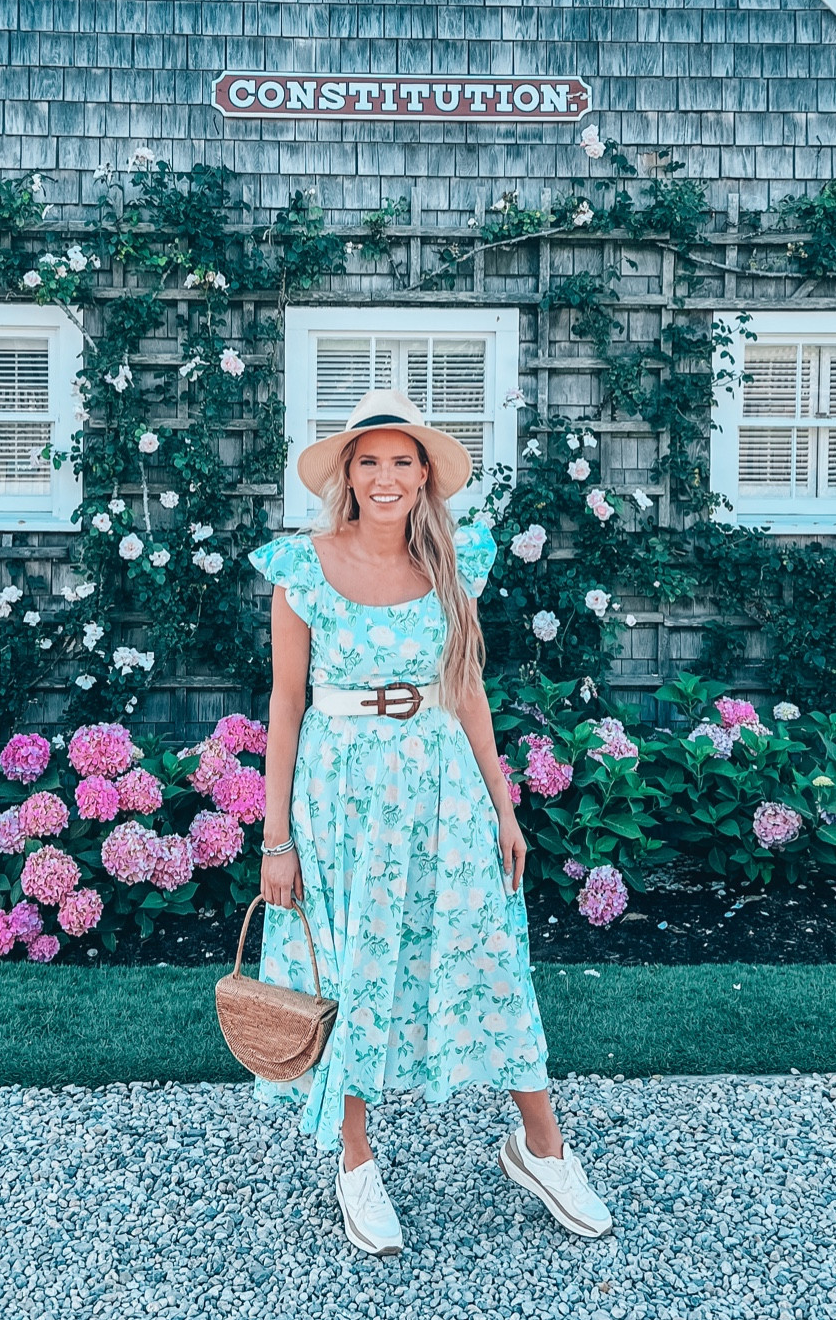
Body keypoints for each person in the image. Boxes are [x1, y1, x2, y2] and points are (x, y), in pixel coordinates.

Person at [247, 387, 613, 1257]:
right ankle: (356, 1162)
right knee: (351, 971)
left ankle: (542, 1148)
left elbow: (467, 688)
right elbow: (285, 705)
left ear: (423, 476)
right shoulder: (303, 570)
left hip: (443, 789)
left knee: (488, 953)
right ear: (346, 473)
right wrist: (274, 837)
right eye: (368, 460)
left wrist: (503, 804)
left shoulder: (456, 562)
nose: (385, 476)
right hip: (340, 800)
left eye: (400, 461)